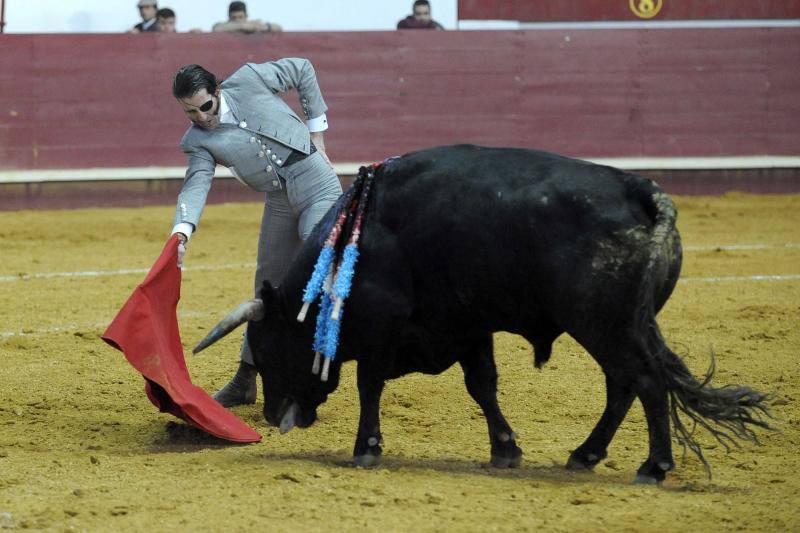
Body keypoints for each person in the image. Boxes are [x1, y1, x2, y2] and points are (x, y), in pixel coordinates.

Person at [171, 58, 341, 407]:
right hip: (279, 201)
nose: (202, 118)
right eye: (190, 113)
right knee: (267, 289)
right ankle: (245, 379)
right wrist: (182, 230)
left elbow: (304, 68)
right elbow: (196, 184)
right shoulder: (196, 141)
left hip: (317, 183)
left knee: (316, 254)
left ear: (218, 91)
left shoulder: (249, 79)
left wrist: (317, 133)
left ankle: (307, 378)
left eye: (205, 106)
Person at [212, 1, 283, 33]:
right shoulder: (224, 27)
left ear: (246, 16)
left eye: (240, 17)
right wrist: (242, 26)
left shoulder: (253, 25)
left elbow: (278, 27)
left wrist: (265, 27)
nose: (237, 20)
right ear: (229, 17)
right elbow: (216, 28)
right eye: (234, 17)